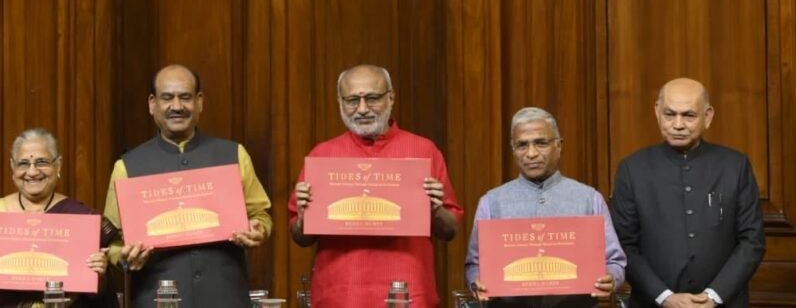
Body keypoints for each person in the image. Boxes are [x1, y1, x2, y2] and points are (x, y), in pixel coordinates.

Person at [289, 64, 463, 308]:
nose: (362, 109)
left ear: (391, 97)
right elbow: (300, 237)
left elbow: (450, 230)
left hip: (407, 292)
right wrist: (303, 217)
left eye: (372, 98)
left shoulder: (423, 151)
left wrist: (435, 209)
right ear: (339, 102)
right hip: (339, 294)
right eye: (352, 100)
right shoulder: (322, 155)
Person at [103, 64, 272, 308]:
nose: (177, 106)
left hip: (225, 298)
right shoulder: (127, 167)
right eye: (167, 98)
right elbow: (112, 243)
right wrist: (125, 258)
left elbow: (261, 216)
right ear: (152, 104)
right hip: (157, 300)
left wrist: (259, 230)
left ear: (199, 102)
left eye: (185, 97)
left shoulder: (234, 155)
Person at [611, 78, 765, 308]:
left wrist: (713, 296)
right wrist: (665, 297)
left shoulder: (735, 166)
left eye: (689, 115)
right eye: (669, 114)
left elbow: (752, 241)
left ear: (708, 116)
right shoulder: (632, 169)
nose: (678, 124)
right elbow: (624, 245)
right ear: (657, 112)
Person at [464, 107, 625, 307]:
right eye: (522, 145)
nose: (531, 153)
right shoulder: (491, 202)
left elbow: (615, 261)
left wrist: (611, 278)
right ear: (513, 150)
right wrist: (476, 281)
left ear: (559, 146)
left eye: (541, 143)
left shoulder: (589, 199)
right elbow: (474, 264)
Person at [0, 128, 117, 307]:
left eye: (42, 162)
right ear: (12, 167)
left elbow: (100, 292)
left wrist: (99, 272)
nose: (32, 172)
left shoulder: (81, 218)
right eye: (23, 163)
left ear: (58, 165)